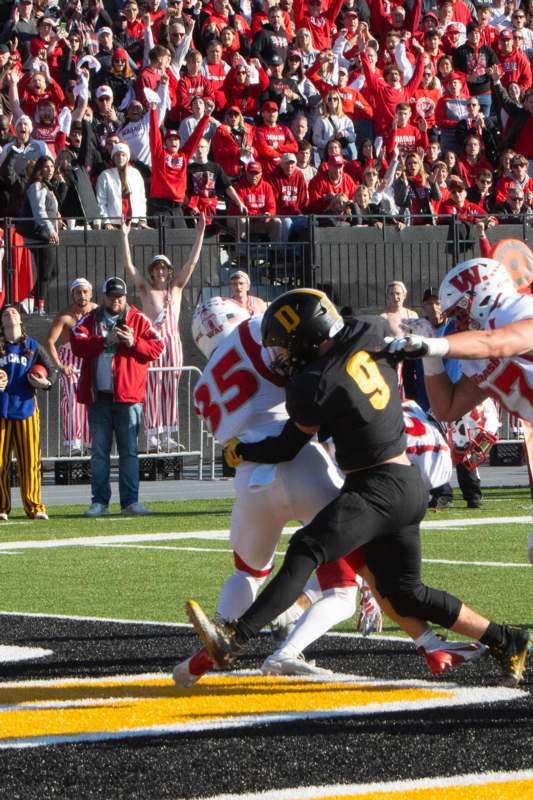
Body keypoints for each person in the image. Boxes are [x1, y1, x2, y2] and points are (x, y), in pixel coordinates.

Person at [186, 288, 530, 688]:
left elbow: (285, 445)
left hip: (375, 487)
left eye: (285, 346)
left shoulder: (312, 384)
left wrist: (241, 449)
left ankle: (235, 636)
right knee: (407, 594)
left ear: (307, 338)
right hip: (407, 484)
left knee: (306, 547)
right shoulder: (369, 332)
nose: (282, 356)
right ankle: (508, 639)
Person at [386, 254, 533, 575]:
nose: (458, 323)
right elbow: (447, 408)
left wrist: (437, 346)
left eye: (460, 313)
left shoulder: (518, 311)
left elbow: (499, 343)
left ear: (480, 297)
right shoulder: (479, 343)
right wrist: (430, 356)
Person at [70, 277, 164, 517]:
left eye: (120, 296)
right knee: (99, 452)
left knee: (129, 451)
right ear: (104, 297)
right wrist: (105, 341)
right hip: (99, 396)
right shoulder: (90, 319)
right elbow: (77, 343)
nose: (117, 299)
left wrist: (133, 342)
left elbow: (157, 346)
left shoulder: (138, 318)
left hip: (128, 396)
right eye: (112, 296)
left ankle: (130, 502)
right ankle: (99, 502)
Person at [121, 215, 206, 451]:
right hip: (153, 343)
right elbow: (129, 267)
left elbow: (192, 263)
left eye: (163, 268)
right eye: (157, 267)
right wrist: (125, 236)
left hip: (173, 343)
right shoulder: (146, 290)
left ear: (168, 271)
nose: (160, 271)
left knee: (170, 387)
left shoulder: (176, 288)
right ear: (152, 271)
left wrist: (199, 233)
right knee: (153, 386)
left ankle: (168, 433)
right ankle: (151, 435)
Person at [0, 304, 57, 521]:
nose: (10, 314)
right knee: (0, 463)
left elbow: (51, 371)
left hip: (26, 409)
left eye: (14, 312)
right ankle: (2, 507)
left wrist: (45, 382)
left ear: (20, 320)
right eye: (5, 313)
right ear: (2, 322)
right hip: (2, 410)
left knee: (30, 461)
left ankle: (34, 506)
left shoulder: (32, 346)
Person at [45, 279, 97, 455]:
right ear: (72, 294)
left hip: (90, 358)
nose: (81, 295)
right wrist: (59, 365)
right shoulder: (65, 316)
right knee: (73, 398)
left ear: (90, 293)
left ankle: (90, 443)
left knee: (92, 399)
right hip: (70, 360)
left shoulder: (98, 312)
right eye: (77, 292)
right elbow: (50, 342)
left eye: (84, 292)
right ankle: (73, 443)